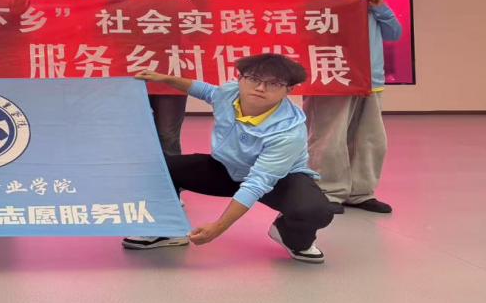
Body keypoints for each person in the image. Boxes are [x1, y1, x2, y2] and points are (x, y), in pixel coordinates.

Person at [123, 55, 335, 264]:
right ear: (240, 78)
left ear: (289, 89)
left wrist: (218, 228)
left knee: (315, 210)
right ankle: (166, 230)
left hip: (279, 180)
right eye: (253, 79)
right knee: (157, 171)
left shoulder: (289, 132)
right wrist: (165, 79)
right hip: (226, 168)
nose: (260, 88)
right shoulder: (230, 93)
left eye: (273, 84)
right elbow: (205, 91)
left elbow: (257, 183)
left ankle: (290, 235)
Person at [303, 0, 403, 214]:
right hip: (331, 79)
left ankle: (361, 192)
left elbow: (394, 34)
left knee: (369, 139)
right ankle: (328, 192)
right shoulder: (313, 3)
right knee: (328, 138)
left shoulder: (369, 1)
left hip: (370, 80)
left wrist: (381, 9)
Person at [111, 0, 188, 156]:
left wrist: (200, 0)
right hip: (130, 76)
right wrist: (108, 3)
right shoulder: (118, 1)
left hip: (169, 75)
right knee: (132, 134)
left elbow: (197, 22)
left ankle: (172, 177)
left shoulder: (176, 1)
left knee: (168, 136)